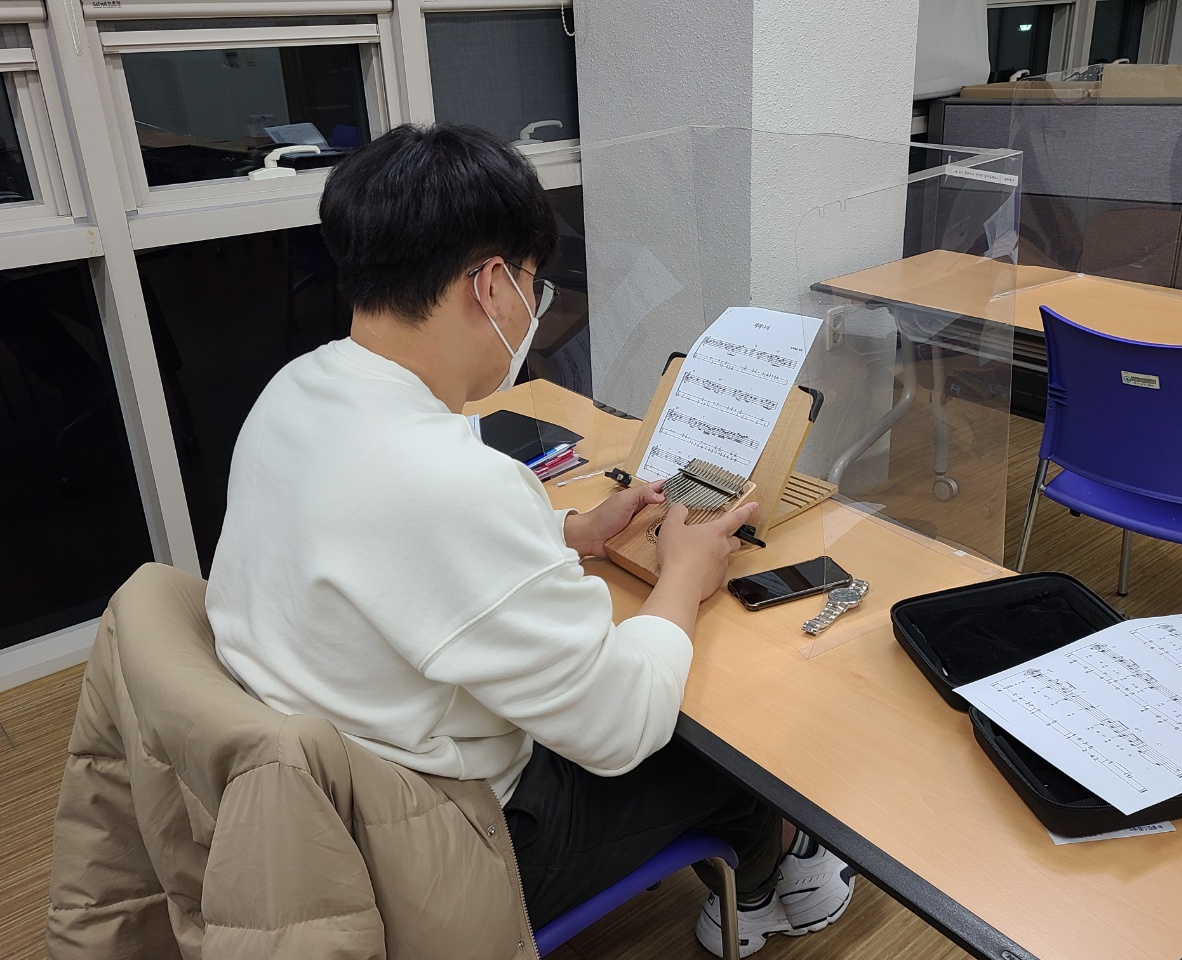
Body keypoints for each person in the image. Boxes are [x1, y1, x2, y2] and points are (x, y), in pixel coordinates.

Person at [206, 122, 853, 957]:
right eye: (532, 283)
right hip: (446, 844)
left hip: (322, 799)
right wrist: (682, 580)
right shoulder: (449, 482)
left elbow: (389, 544)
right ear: (490, 285)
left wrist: (569, 532)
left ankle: (765, 875)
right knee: (726, 753)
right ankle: (767, 893)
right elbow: (621, 727)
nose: (533, 306)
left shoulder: (293, 390)